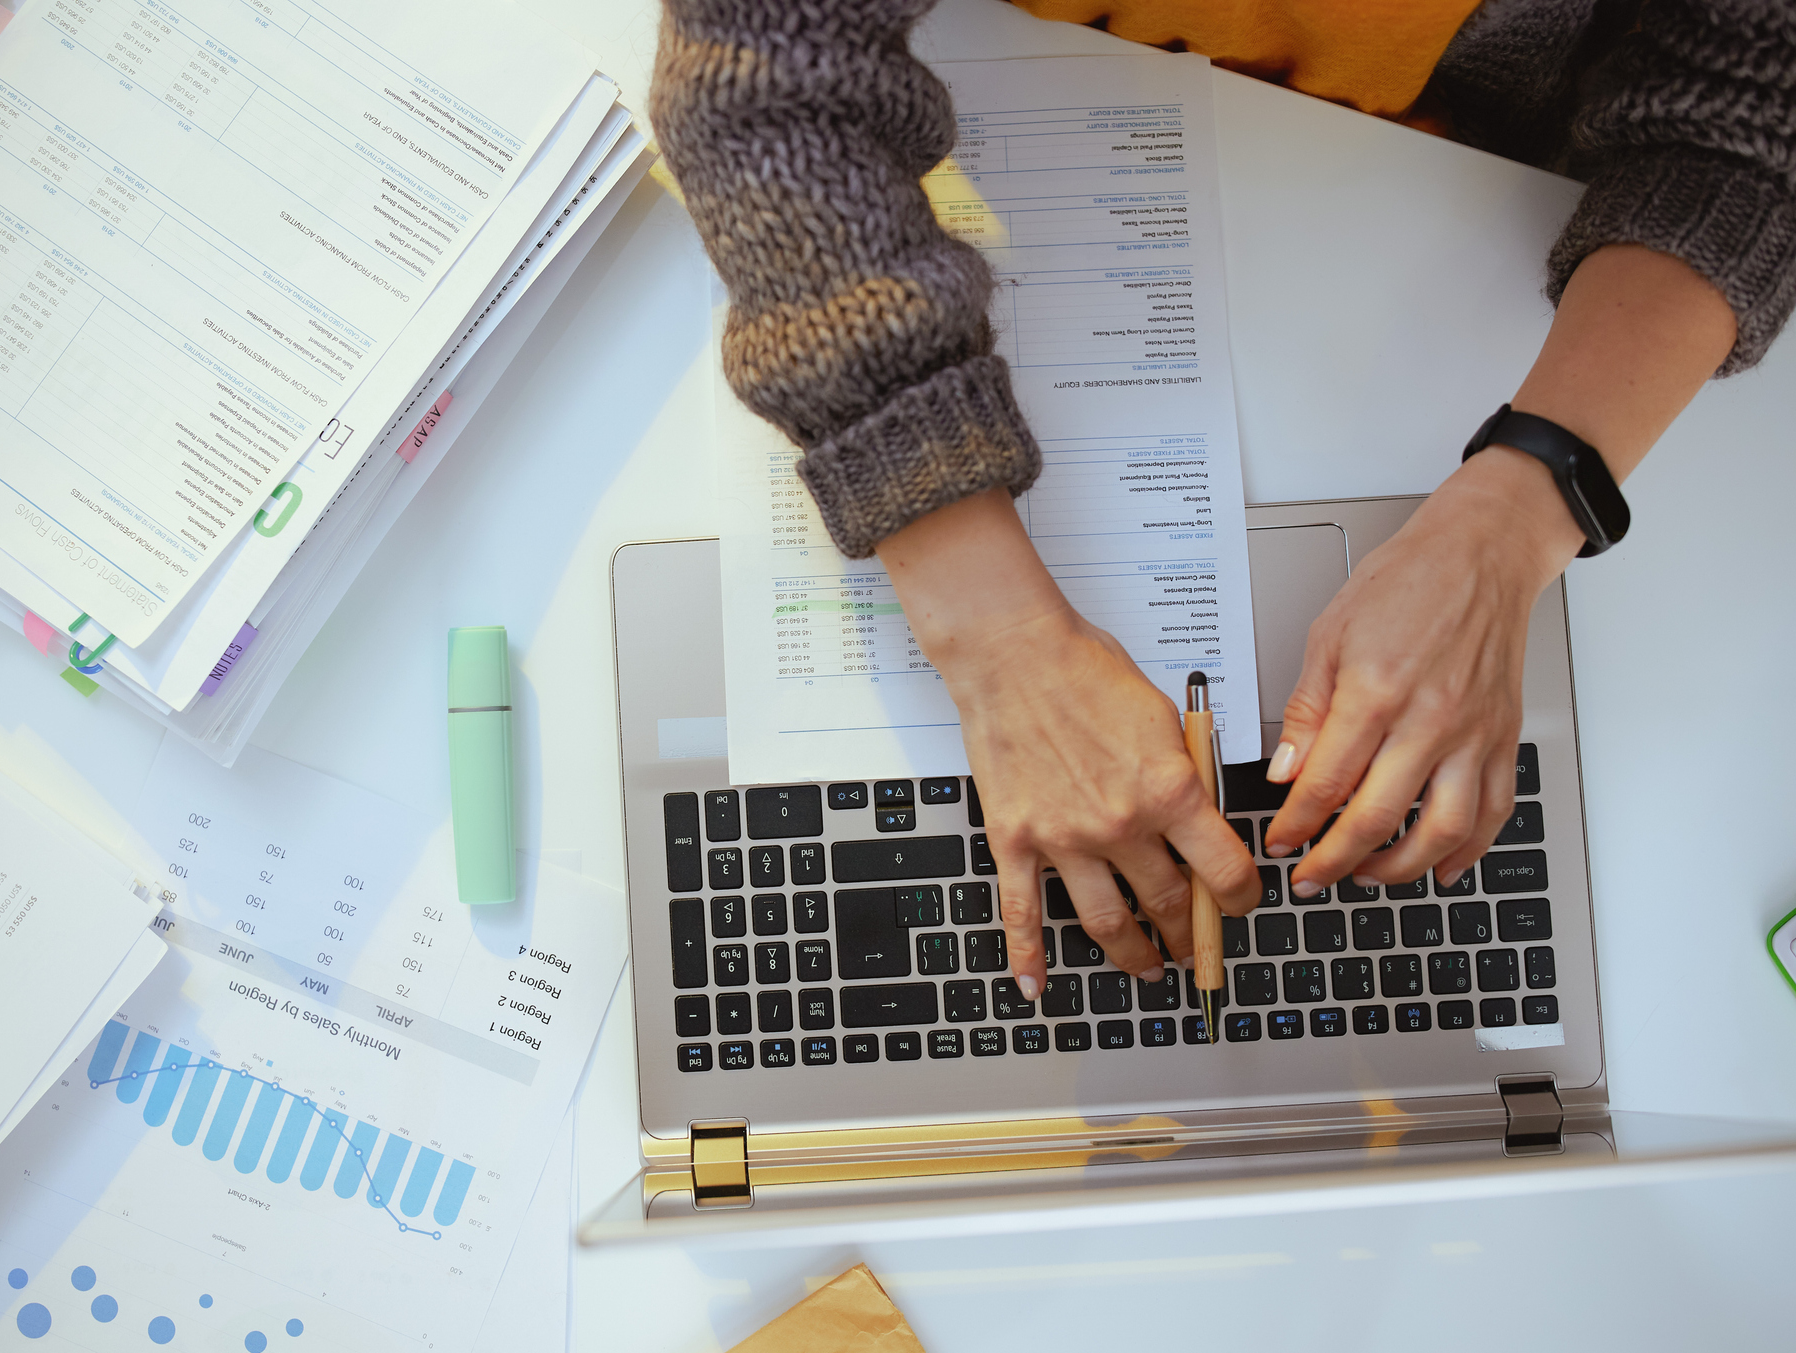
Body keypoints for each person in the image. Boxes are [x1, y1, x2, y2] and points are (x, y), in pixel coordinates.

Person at [650, 0, 1793, 1002]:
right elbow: (763, 96)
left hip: (1457, 232)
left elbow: (1748, 123)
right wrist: (993, 636)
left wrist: (1520, 513)